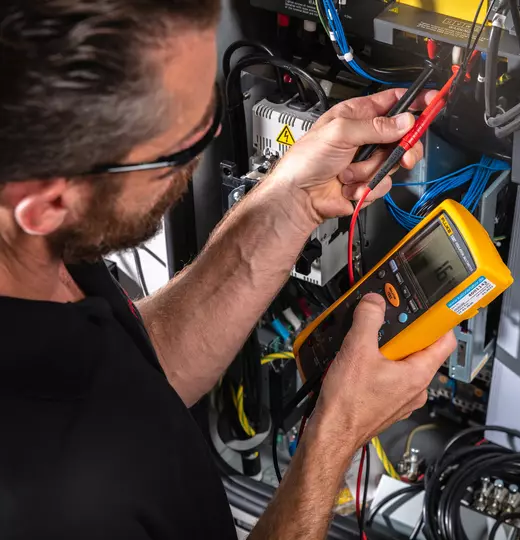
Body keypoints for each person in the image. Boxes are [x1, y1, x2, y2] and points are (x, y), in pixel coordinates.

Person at [0, 2, 456, 539]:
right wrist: (334, 436)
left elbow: (136, 369)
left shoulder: (38, 258)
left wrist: (293, 199)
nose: (202, 156)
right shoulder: (63, 500)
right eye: (185, 142)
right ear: (50, 203)